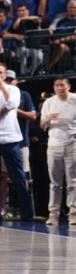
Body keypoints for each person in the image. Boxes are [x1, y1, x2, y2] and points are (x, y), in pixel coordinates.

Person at [0, 63, 33, 221]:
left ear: (4, 75)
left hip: (11, 139)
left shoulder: (14, 90)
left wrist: (3, 86)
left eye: (0, 72)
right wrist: (2, 111)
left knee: (19, 177)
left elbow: (13, 104)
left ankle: (26, 213)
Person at [40, 79, 76, 226]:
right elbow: (42, 125)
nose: (60, 88)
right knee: (55, 183)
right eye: (57, 85)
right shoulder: (49, 103)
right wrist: (48, 118)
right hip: (54, 145)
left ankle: (73, 214)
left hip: (71, 144)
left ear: (68, 86)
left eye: (62, 85)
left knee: (73, 181)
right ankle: (53, 214)